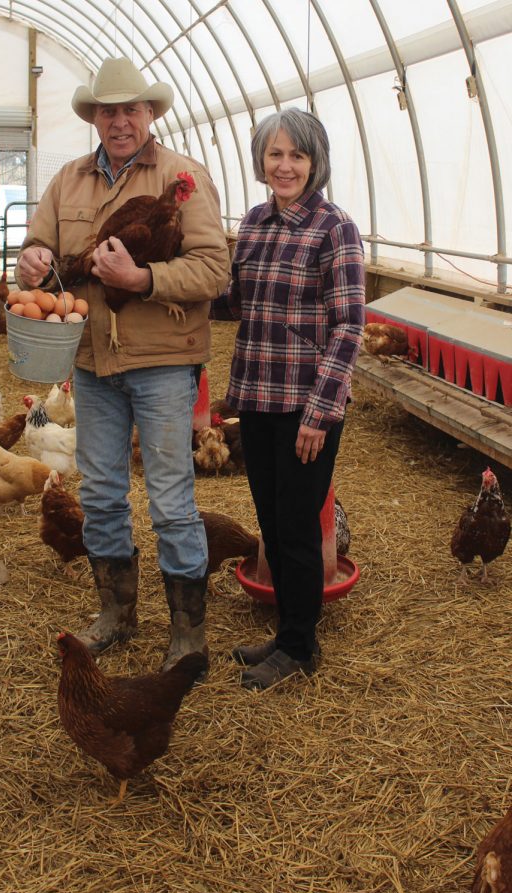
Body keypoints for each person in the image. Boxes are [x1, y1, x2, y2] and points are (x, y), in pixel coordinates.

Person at [16, 57, 230, 673]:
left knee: (169, 496)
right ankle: (116, 612)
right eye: (108, 111)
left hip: (163, 360)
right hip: (90, 360)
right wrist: (31, 263)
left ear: (150, 113)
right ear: (95, 117)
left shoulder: (184, 175)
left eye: (130, 109)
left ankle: (188, 632)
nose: (119, 121)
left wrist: (143, 277)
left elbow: (215, 269)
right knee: (104, 493)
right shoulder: (68, 181)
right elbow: (39, 254)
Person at [211, 108, 365, 691]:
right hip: (255, 396)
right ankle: (285, 631)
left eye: (296, 155)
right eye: (274, 154)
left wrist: (320, 414)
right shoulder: (252, 223)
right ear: (261, 160)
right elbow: (235, 302)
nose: (284, 165)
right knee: (273, 523)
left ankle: (301, 647)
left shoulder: (334, 229)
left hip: (306, 407)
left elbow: (348, 326)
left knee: (299, 526)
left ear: (314, 162)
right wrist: (169, 290)